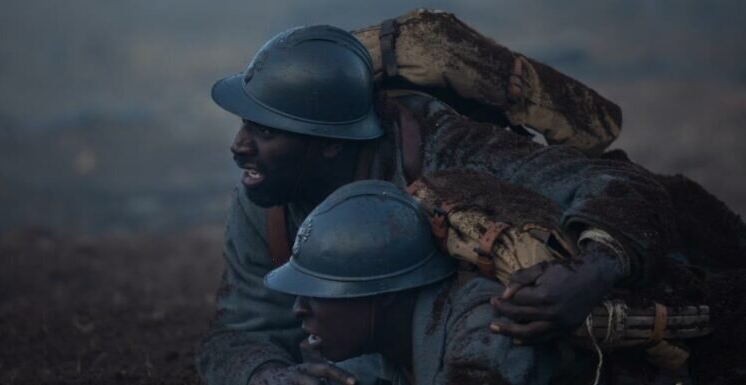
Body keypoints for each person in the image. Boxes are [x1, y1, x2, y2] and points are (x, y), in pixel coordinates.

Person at [196, 24, 679, 385]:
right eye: (245, 124)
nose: (238, 147)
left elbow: (617, 183)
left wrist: (591, 274)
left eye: (264, 130)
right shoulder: (265, 203)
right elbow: (238, 331)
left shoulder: (447, 152)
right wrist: (266, 377)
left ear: (329, 143)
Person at [264, 180, 558, 385]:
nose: (298, 309)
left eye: (318, 292)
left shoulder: (486, 331)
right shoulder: (379, 343)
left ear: (385, 293)